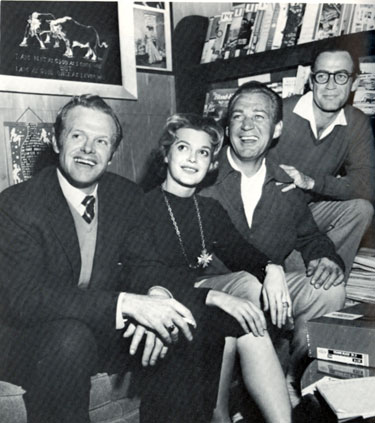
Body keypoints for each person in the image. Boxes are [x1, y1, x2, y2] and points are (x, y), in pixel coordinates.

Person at [0, 94, 231, 423]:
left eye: (102, 141)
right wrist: (127, 305)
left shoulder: (124, 195)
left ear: (111, 155)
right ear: (56, 140)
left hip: (99, 327)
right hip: (30, 338)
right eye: (77, 136)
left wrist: (156, 298)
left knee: (182, 320)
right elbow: (27, 298)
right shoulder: (18, 204)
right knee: (70, 337)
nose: (88, 150)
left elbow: (145, 262)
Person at [199, 81, 346, 405]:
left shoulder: (286, 184)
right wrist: (269, 270)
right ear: (227, 125)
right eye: (238, 117)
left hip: (268, 284)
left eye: (259, 117)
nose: (247, 126)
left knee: (329, 290)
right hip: (212, 285)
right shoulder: (201, 171)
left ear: (277, 128)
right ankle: (228, 403)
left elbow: (310, 235)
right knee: (249, 285)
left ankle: (294, 381)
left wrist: (325, 257)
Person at [143, 113, 292, 423]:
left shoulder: (208, 210)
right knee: (230, 315)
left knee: (247, 304)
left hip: (199, 298)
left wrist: (273, 268)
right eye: (183, 148)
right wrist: (211, 294)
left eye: (204, 152)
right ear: (166, 153)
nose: (193, 159)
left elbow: (242, 252)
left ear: (211, 164)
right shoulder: (141, 206)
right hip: (161, 300)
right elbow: (145, 274)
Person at [268, 48, 375, 277]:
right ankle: (310, 282)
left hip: (309, 210)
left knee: (361, 209)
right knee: (297, 269)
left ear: (354, 83)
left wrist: (312, 182)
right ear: (311, 80)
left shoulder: (356, 122)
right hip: (270, 214)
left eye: (341, 76)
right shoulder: (281, 112)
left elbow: (367, 185)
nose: (330, 85)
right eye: (322, 76)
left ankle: (331, 277)